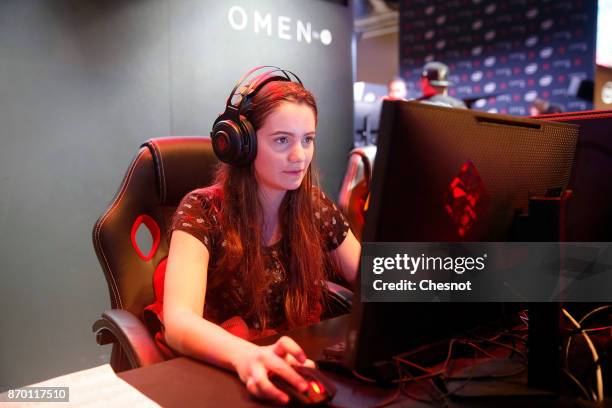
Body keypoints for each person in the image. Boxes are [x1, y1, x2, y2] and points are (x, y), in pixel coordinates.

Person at [146, 67, 361, 405]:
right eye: (282, 140)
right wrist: (246, 356)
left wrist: (460, 276)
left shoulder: (314, 206)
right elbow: (179, 320)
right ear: (241, 145)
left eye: (308, 140)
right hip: (220, 370)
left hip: (292, 365)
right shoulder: (201, 210)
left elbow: (373, 274)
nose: (299, 156)